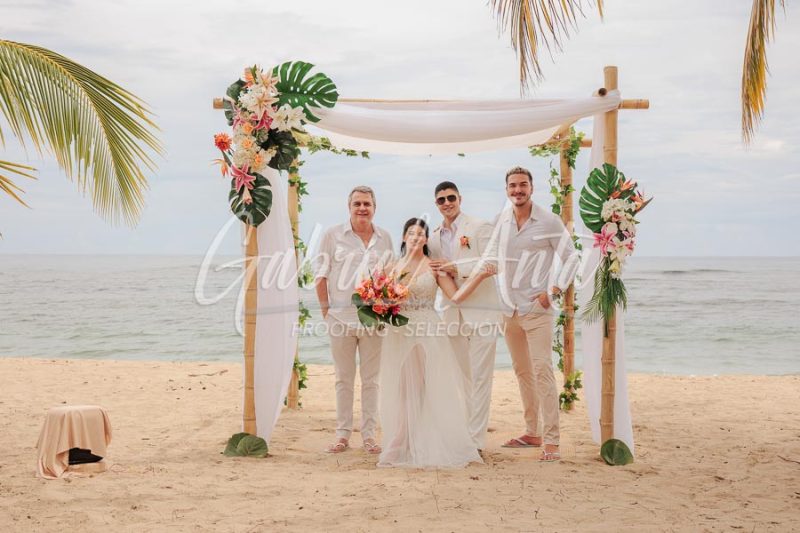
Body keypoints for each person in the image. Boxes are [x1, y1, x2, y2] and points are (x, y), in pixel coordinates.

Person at [378, 218, 493, 468]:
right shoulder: (391, 267)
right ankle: (404, 438)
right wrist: (380, 306)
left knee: (419, 384)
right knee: (401, 385)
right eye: (411, 233)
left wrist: (480, 276)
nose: (416, 237)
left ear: (426, 240)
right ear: (404, 237)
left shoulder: (434, 267)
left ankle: (405, 439)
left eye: (421, 234)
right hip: (399, 330)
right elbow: (380, 299)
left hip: (426, 328)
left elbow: (456, 297)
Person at [497, 166, 579, 462]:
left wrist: (553, 290)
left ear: (531, 188)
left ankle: (552, 442)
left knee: (542, 370)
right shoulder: (502, 221)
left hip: (536, 309)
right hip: (508, 310)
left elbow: (571, 257)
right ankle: (532, 432)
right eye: (512, 185)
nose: (517, 190)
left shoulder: (548, 220)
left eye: (522, 185)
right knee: (522, 372)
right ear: (506, 189)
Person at [314, 186, 394, 455]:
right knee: (343, 379)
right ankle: (343, 434)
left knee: (371, 380)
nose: (362, 208)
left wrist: (386, 309)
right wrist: (326, 312)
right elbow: (321, 276)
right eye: (357, 203)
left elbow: (390, 278)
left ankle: (369, 435)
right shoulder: (332, 235)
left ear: (374, 208)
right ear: (349, 207)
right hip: (340, 319)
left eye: (367, 204)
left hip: (374, 321)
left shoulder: (385, 238)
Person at [427, 181, 502, 451]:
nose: (447, 203)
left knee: (481, 378)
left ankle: (475, 442)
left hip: (482, 312)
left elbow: (494, 263)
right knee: (462, 378)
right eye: (441, 200)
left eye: (451, 198)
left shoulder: (480, 227)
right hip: (452, 313)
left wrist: (455, 268)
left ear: (460, 198)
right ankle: (465, 432)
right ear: (436, 204)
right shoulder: (433, 237)